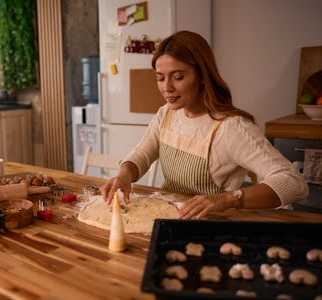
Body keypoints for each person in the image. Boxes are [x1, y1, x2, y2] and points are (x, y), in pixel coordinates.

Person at [100, 30, 308, 219]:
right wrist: (124, 174)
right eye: (160, 78)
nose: (167, 88)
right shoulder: (167, 114)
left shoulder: (231, 128)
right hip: (172, 219)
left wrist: (227, 199)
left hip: (210, 226)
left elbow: (293, 184)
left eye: (178, 77)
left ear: (202, 76)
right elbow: (142, 155)